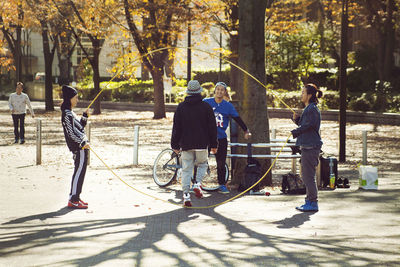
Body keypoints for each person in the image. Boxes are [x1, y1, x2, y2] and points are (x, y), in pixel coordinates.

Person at [171, 80, 218, 207]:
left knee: (186, 169)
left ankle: (186, 195)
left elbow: (177, 127)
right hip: (202, 143)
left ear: (188, 92)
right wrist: (214, 144)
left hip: (186, 143)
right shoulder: (206, 107)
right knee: (203, 163)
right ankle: (197, 184)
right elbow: (212, 128)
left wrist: (174, 145)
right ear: (199, 92)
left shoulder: (181, 107)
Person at [203, 82, 251, 193]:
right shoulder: (206, 102)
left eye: (222, 90)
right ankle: (196, 183)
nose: (219, 91)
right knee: (200, 161)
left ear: (225, 92)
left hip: (221, 138)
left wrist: (246, 130)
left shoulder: (228, 106)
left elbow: (237, 119)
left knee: (221, 163)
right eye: (218, 89)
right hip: (206, 137)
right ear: (215, 91)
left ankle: (221, 184)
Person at [291, 83, 323, 212]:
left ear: (309, 95)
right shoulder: (309, 109)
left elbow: (309, 126)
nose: (301, 94)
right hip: (307, 146)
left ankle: (312, 202)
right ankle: (309, 201)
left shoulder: (312, 109)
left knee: (308, 176)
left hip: (311, 147)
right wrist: (297, 121)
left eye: (303, 92)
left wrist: (296, 131)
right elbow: (306, 124)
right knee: (307, 175)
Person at [61, 85, 90, 209]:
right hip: (79, 148)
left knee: (81, 172)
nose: (77, 99)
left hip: (82, 148)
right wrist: (82, 143)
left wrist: (84, 117)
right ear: (69, 99)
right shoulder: (67, 114)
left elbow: (79, 127)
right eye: (76, 97)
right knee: (78, 172)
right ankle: (73, 199)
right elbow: (71, 132)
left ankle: (76, 197)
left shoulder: (70, 113)